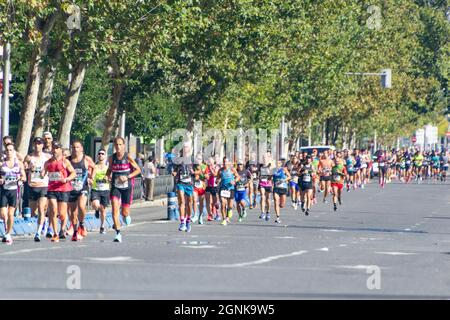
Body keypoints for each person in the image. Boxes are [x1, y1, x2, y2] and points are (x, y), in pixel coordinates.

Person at [106, 137, 141, 242]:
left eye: (120, 144)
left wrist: (128, 177)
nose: (118, 147)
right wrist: (107, 176)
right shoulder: (112, 158)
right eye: (116, 145)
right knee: (114, 209)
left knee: (124, 212)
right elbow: (109, 169)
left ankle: (126, 215)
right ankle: (118, 233)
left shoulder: (128, 156)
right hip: (115, 186)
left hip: (126, 187)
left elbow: (138, 170)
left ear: (124, 145)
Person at [41, 141, 76, 242]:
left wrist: (66, 179)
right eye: (53, 148)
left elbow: (73, 173)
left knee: (62, 213)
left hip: (64, 189)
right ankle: (55, 233)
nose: (55, 150)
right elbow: (43, 172)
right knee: (53, 210)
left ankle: (62, 229)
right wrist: (42, 173)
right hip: (52, 189)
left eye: (57, 148)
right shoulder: (48, 162)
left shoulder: (65, 161)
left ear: (60, 150)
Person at [24, 137, 51, 242]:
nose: (37, 146)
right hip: (32, 186)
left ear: (42, 145)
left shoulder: (47, 157)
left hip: (43, 186)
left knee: (41, 209)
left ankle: (38, 232)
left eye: (39, 144)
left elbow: (55, 164)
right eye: (35, 143)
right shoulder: (29, 157)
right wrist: (28, 167)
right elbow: (23, 166)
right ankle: (43, 221)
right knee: (33, 211)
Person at [67, 140, 95, 240]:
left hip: (83, 187)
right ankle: (75, 231)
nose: (75, 149)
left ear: (81, 148)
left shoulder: (86, 159)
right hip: (71, 188)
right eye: (74, 147)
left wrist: (92, 177)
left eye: (77, 147)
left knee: (82, 206)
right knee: (72, 212)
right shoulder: (67, 160)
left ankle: (82, 223)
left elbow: (94, 167)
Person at [0, 143, 26, 245]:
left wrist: (20, 179)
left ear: (14, 151)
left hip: (14, 191)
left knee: (10, 214)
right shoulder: (2, 164)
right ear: (5, 152)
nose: (9, 152)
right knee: (3, 214)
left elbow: (24, 176)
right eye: (7, 150)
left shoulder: (18, 163)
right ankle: (7, 230)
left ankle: (8, 234)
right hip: (4, 191)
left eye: (11, 150)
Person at [172, 143, 195, 232]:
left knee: (189, 204)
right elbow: (174, 170)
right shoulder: (178, 160)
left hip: (189, 184)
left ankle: (188, 221)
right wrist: (174, 173)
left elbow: (199, 171)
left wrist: (194, 173)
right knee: (181, 201)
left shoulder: (193, 160)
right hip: (180, 183)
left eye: (187, 149)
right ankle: (182, 222)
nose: (185, 151)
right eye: (184, 149)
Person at [91, 149, 110, 234]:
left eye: (102, 154)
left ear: (105, 156)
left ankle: (102, 226)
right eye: (99, 154)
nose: (101, 155)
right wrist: (91, 180)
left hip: (105, 190)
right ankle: (96, 210)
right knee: (95, 205)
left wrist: (108, 178)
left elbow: (111, 177)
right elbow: (92, 176)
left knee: (103, 209)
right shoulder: (95, 166)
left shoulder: (108, 166)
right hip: (96, 189)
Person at [217, 157, 240, 226]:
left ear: (229, 163)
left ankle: (229, 211)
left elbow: (238, 177)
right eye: (224, 162)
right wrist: (217, 180)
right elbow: (217, 178)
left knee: (229, 205)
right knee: (223, 203)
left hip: (230, 189)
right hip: (223, 188)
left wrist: (234, 181)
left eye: (226, 162)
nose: (225, 163)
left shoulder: (232, 169)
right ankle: (224, 219)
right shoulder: (220, 170)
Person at [272, 159, 291, 224]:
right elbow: (271, 177)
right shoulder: (273, 170)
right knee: (275, 201)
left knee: (282, 205)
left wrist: (284, 180)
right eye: (276, 163)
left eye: (279, 163)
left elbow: (289, 177)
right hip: (276, 188)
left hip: (283, 188)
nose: (277, 164)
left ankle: (280, 207)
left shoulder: (284, 169)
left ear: (281, 164)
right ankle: (278, 217)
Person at [192, 153, 207, 224]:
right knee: (194, 200)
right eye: (197, 159)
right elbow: (191, 174)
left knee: (201, 203)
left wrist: (203, 174)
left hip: (202, 186)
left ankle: (200, 216)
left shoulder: (205, 166)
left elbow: (207, 177)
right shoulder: (193, 166)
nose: (198, 160)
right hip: (195, 186)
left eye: (200, 159)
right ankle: (195, 215)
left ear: (202, 160)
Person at [258, 153, 273, 221]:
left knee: (268, 199)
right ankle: (262, 212)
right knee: (262, 196)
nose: (264, 159)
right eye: (263, 158)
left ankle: (268, 212)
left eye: (265, 157)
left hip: (268, 184)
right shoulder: (260, 166)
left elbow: (272, 174)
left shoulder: (270, 165)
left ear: (268, 158)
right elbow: (258, 173)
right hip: (262, 183)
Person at [205, 157, 220, 221]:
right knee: (208, 202)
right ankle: (210, 215)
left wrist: (210, 169)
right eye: (209, 161)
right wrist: (206, 176)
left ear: (214, 161)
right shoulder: (206, 168)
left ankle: (217, 213)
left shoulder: (216, 167)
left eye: (211, 161)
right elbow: (206, 176)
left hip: (215, 186)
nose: (210, 162)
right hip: (208, 186)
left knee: (215, 202)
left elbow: (215, 174)